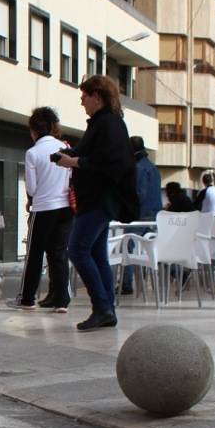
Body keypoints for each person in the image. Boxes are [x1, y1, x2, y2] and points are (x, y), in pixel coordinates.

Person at [52, 75, 138, 331]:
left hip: (100, 199)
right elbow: (94, 153)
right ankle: (106, 309)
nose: (81, 102)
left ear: (97, 96)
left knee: (77, 250)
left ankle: (101, 307)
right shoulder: (105, 124)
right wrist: (69, 155)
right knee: (97, 253)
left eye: (84, 96)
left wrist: (73, 162)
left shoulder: (108, 124)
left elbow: (108, 161)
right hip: (98, 199)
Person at [12, 107, 72, 312]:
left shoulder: (33, 152)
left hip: (43, 208)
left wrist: (32, 199)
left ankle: (27, 298)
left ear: (33, 130)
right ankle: (61, 300)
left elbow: (31, 188)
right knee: (59, 253)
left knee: (35, 254)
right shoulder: (65, 146)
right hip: (65, 208)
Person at [120, 135, 163, 295]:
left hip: (140, 216)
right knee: (153, 250)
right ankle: (174, 270)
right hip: (155, 216)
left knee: (127, 245)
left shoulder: (138, 168)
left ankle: (126, 284)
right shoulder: (153, 168)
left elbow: (139, 194)